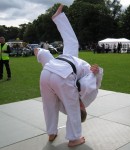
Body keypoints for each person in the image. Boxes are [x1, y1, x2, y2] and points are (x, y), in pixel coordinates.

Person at [34, 4, 103, 147]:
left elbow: (89, 84)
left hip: (59, 70)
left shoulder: (84, 99)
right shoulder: (72, 101)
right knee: (49, 105)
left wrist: (96, 72)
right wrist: (41, 53)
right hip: (51, 72)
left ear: (83, 109)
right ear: (83, 109)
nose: (82, 106)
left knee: (62, 106)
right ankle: (56, 134)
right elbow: (88, 84)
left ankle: (69, 137)